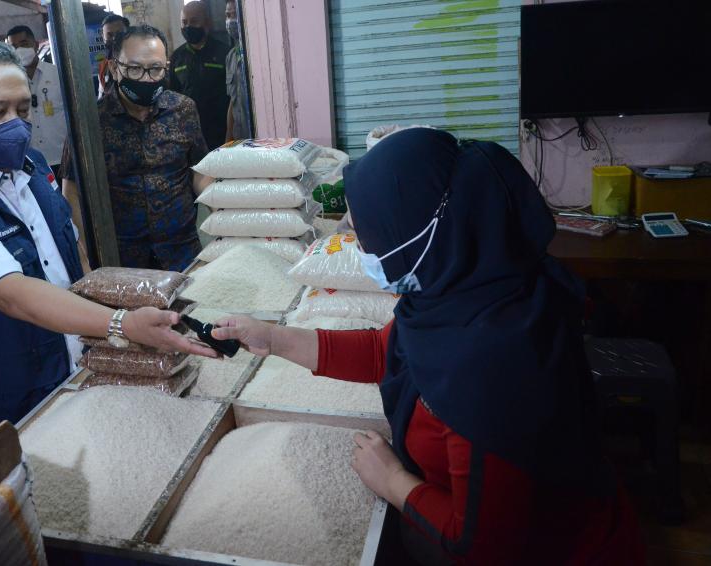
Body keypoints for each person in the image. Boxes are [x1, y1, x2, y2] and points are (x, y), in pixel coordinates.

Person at [211, 129, 645, 564]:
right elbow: (387, 353)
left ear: (423, 236)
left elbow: (480, 546)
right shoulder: (467, 295)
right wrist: (271, 337)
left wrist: (394, 481)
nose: (357, 245)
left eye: (365, 236)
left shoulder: (489, 368)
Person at [0, 39, 217, 439]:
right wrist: (120, 324)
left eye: (23, 109)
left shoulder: (28, 171)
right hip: (6, 403)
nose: (16, 123)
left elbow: (71, 252)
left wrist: (104, 334)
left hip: (70, 373)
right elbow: (13, 293)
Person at [61, 26, 213, 272]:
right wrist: (85, 260)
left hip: (182, 252)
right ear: (114, 68)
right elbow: (73, 193)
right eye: (134, 68)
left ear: (166, 66)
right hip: (120, 260)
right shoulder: (89, 122)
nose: (145, 78)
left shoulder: (183, 110)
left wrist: (223, 217)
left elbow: (199, 171)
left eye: (155, 69)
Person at [5, 25, 67, 178]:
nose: (19, 50)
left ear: (36, 44)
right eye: (14, 47)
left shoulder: (59, 75)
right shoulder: (8, 84)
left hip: (64, 159)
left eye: (24, 44)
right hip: (30, 164)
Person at [168, 0, 229, 150]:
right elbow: (172, 96)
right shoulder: (177, 57)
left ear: (207, 23)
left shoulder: (224, 53)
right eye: (184, 22)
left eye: (194, 21)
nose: (188, 26)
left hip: (220, 133)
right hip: (188, 133)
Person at [224, 0, 251, 141]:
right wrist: (229, 135)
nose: (231, 21)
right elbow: (232, 101)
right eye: (228, 15)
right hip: (239, 138)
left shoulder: (255, 55)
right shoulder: (231, 56)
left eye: (235, 15)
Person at [98, 14, 130, 99]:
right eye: (109, 35)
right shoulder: (103, 66)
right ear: (103, 36)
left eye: (120, 34)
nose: (114, 38)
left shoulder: (140, 61)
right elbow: (101, 94)